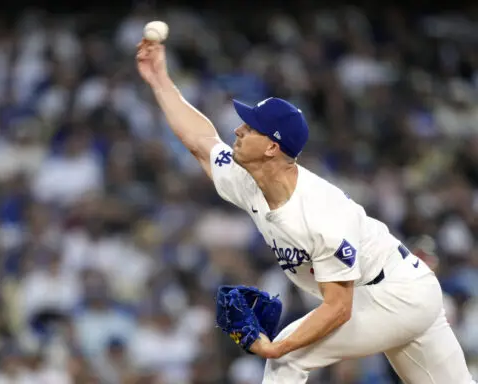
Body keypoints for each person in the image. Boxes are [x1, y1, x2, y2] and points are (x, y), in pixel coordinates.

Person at [136, 40, 476, 384]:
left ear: (271, 147)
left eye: (250, 127)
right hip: (393, 292)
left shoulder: (319, 213)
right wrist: (160, 80)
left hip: (391, 293)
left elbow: (338, 309)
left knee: (287, 358)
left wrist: (276, 349)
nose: (238, 130)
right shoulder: (248, 179)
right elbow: (200, 140)